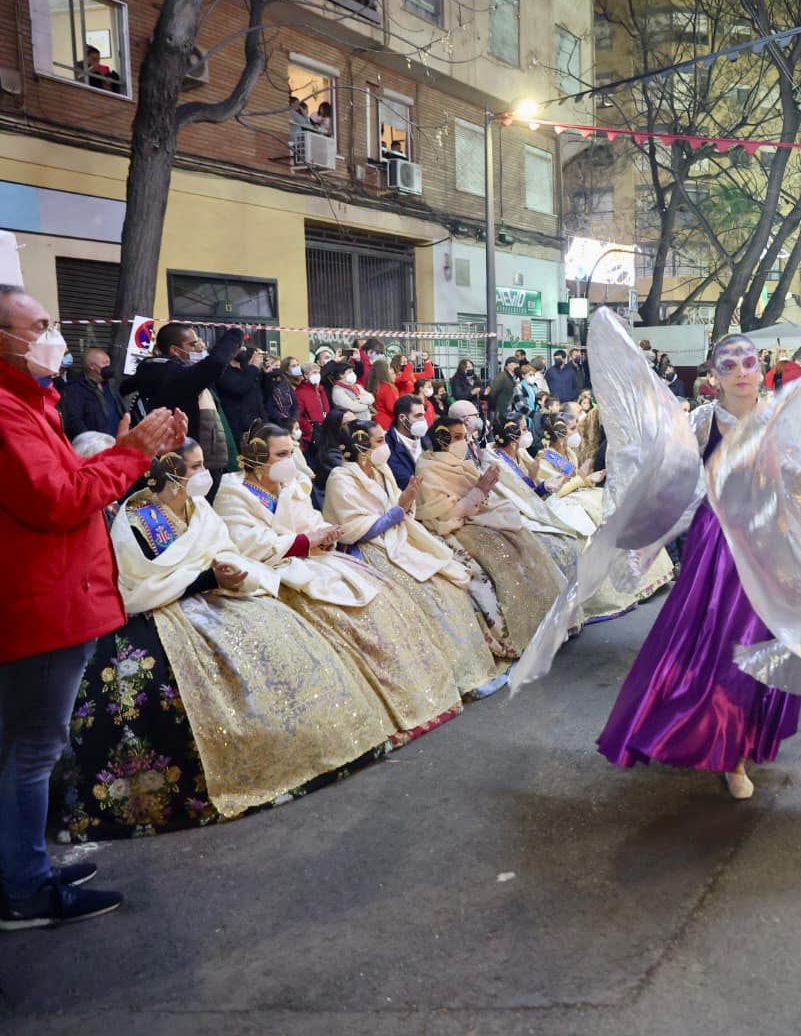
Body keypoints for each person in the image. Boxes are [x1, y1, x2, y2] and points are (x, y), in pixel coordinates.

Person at [53, 439, 398, 841]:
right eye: (195, 467)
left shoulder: (200, 509)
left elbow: (226, 551)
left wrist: (228, 573)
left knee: (276, 634)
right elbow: (139, 582)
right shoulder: (137, 516)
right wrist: (207, 578)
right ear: (169, 473)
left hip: (216, 596)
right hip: (164, 610)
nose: (205, 473)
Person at [1, 284, 190, 927]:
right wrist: (132, 455)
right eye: (38, 327)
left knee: (19, 748)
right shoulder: (7, 412)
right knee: (32, 750)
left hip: (56, 596)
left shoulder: (33, 404)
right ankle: (23, 888)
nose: (52, 337)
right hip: (43, 605)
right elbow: (58, 499)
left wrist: (131, 450)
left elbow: (74, 482)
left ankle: (19, 865)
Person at [596, 334, 799, 800]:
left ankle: (741, 743)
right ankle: (729, 755)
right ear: (714, 377)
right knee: (717, 644)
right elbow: (672, 482)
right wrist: (645, 542)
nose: (743, 371)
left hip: (770, 543)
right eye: (730, 365)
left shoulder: (779, 418)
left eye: (750, 361)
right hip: (718, 548)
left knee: (763, 647)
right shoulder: (704, 422)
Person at [213, 423, 462, 737]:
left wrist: (326, 534)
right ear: (255, 457)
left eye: (291, 453)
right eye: (281, 455)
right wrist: (306, 540)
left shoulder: (293, 483)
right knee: (337, 618)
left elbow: (313, 520)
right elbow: (246, 543)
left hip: (317, 560)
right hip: (276, 570)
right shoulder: (233, 492)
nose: (289, 460)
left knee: (383, 599)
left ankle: (417, 694)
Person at [322, 420, 500, 697]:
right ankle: (451, 680)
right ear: (360, 447)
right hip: (368, 549)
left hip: (400, 538)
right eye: (379, 441)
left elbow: (402, 508)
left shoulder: (381, 470)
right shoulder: (341, 478)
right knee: (427, 596)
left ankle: (473, 670)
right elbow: (352, 529)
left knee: (450, 586)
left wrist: (405, 504)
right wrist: (400, 507)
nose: (385, 446)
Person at [412, 415, 570, 658]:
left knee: (524, 543)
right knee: (499, 557)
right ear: (441, 439)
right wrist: (479, 490)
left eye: (465, 437)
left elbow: (478, 498)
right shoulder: (428, 466)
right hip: (449, 528)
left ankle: (547, 622)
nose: (463, 442)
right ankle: (518, 631)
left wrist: (482, 491)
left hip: (473, 518)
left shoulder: (460, 462)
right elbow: (445, 514)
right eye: (456, 438)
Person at [125, 321, 245, 478]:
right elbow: (215, 364)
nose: (200, 348)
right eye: (193, 344)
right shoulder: (170, 375)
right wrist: (236, 333)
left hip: (195, 458)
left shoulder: (174, 372)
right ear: (175, 350)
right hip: (184, 465)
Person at [59, 347, 123, 440]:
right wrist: (91, 442)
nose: (109, 366)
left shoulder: (110, 385)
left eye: (109, 363)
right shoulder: (76, 389)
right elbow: (75, 421)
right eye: (105, 363)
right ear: (92, 366)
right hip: (94, 447)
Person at [215, 343, 269, 446]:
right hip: (240, 429)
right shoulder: (223, 370)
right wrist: (253, 367)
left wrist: (267, 375)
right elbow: (240, 388)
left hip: (258, 425)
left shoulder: (246, 368)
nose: (243, 349)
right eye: (239, 346)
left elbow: (262, 395)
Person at [385, 393, 428, 490]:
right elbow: (404, 481)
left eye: (423, 415)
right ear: (402, 418)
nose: (423, 420)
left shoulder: (427, 437)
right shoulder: (388, 445)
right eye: (418, 416)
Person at [367, 355, 400, 430]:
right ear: (384, 371)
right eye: (389, 368)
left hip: (376, 421)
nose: (392, 370)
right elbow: (393, 408)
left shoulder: (374, 386)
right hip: (388, 423)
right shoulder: (387, 387)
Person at [488, 356, 519, 423]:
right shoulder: (501, 376)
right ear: (508, 365)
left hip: (507, 410)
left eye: (518, 364)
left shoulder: (512, 378)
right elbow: (493, 392)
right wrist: (495, 408)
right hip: (500, 411)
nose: (518, 366)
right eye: (515, 364)